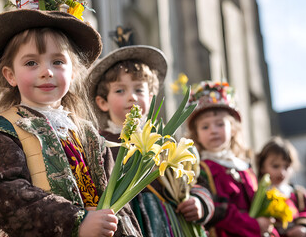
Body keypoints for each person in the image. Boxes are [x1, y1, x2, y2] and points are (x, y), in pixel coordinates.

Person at [0, 4, 142, 237]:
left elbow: (115, 196)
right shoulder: (2, 129)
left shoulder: (89, 135)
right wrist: (76, 221)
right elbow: (3, 191)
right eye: (31, 63)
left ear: (73, 71)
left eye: (57, 62)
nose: (46, 71)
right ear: (10, 75)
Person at [87, 45, 214, 237]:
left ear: (152, 96)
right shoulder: (98, 142)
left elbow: (194, 180)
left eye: (139, 89)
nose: (132, 97)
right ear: (102, 102)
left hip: (172, 225)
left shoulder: (166, 140)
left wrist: (199, 202)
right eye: (120, 90)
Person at [186, 81, 274, 236]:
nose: (213, 131)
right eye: (205, 127)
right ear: (196, 135)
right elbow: (217, 210)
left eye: (220, 124)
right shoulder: (200, 169)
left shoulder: (244, 167)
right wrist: (254, 225)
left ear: (233, 128)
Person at [256, 136, 306, 237]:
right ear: (262, 167)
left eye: (286, 167)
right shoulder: (258, 196)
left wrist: (301, 226)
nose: (282, 172)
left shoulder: (298, 194)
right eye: (275, 166)